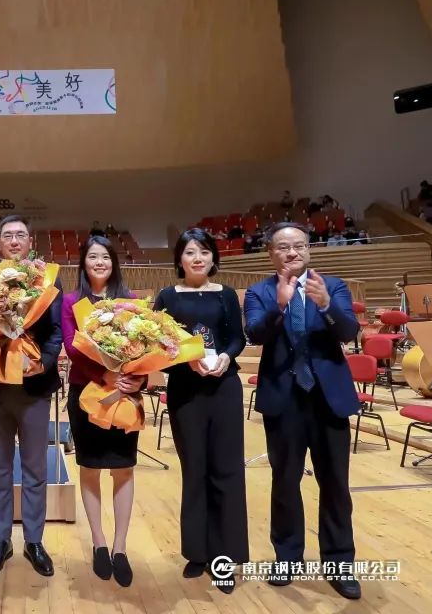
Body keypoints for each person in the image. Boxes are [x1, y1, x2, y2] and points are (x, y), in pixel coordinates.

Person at [244, 222, 362, 600]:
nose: (292, 252)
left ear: (308, 249)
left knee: (336, 485)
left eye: (298, 245)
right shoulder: (260, 292)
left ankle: (339, 563)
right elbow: (255, 334)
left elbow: (348, 332)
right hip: (284, 399)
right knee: (285, 482)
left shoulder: (333, 286)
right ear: (271, 253)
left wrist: (326, 305)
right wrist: (279, 306)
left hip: (328, 399)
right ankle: (288, 557)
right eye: (283, 247)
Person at [0, 215, 63, 577]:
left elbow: (56, 332)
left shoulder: (47, 279)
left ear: (30, 241)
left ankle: (34, 541)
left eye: (20, 235)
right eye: (7, 235)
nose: (14, 240)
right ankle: (1, 539)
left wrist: (44, 363)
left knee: (36, 469)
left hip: (34, 387)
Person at [154, 229, 247, 593]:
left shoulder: (226, 294)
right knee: (194, 469)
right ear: (180, 259)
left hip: (224, 387)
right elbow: (158, 344)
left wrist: (226, 356)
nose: (198, 258)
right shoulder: (167, 296)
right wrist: (185, 360)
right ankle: (196, 551)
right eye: (190, 252)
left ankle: (224, 557)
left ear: (213, 258)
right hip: (186, 389)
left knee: (226, 471)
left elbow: (236, 337)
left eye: (205, 252)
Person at [60, 235, 139, 587]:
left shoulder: (131, 300)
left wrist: (134, 379)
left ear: (113, 262)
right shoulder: (71, 301)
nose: (99, 262)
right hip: (86, 393)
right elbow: (72, 347)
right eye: (93, 256)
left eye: (105, 256)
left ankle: (120, 547)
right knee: (90, 468)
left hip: (124, 394)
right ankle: (99, 542)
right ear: (83, 263)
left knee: (123, 469)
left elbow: (144, 347)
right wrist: (103, 374)